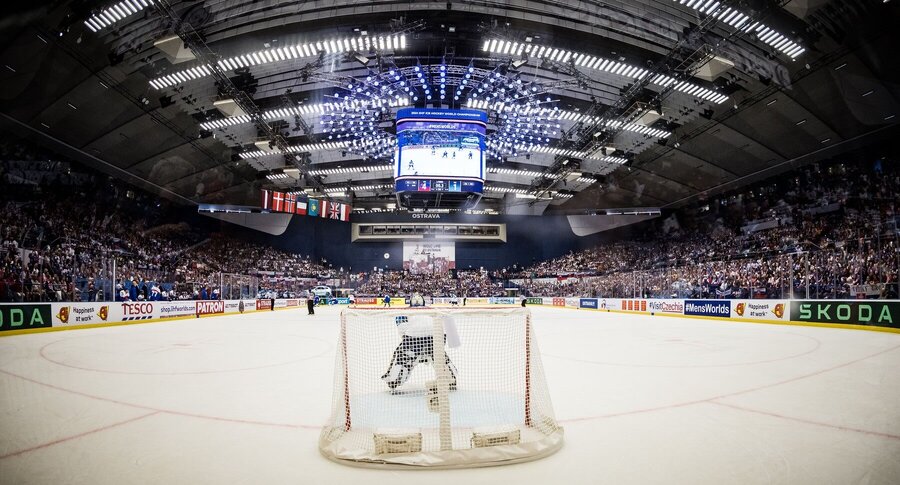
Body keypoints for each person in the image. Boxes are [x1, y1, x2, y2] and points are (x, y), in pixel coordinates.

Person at [381, 314, 460, 391]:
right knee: (440, 357)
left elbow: (402, 326)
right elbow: (447, 320)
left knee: (403, 356)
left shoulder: (404, 309)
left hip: (415, 336)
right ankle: (451, 379)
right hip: (436, 334)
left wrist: (407, 340)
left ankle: (393, 380)